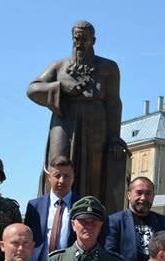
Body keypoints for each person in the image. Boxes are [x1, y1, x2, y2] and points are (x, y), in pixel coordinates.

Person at [27, 20, 128, 213]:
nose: (79, 43)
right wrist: (59, 88)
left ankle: (90, 217)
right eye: (76, 39)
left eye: (84, 39)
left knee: (94, 174)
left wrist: (115, 137)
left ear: (93, 40)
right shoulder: (59, 66)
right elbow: (32, 89)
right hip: (64, 123)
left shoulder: (108, 68)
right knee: (58, 164)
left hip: (96, 126)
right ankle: (53, 215)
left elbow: (114, 103)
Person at [104, 177, 165, 261]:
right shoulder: (114, 221)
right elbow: (110, 255)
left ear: (153, 196)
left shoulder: (164, 223)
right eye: (139, 193)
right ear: (129, 195)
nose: (143, 198)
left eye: (148, 193)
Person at [25, 156, 80, 261]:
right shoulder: (34, 206)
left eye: (66, 176)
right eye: (57, 176)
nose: (61, 180)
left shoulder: (80, 205)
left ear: (73, 178)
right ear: (49, 177)